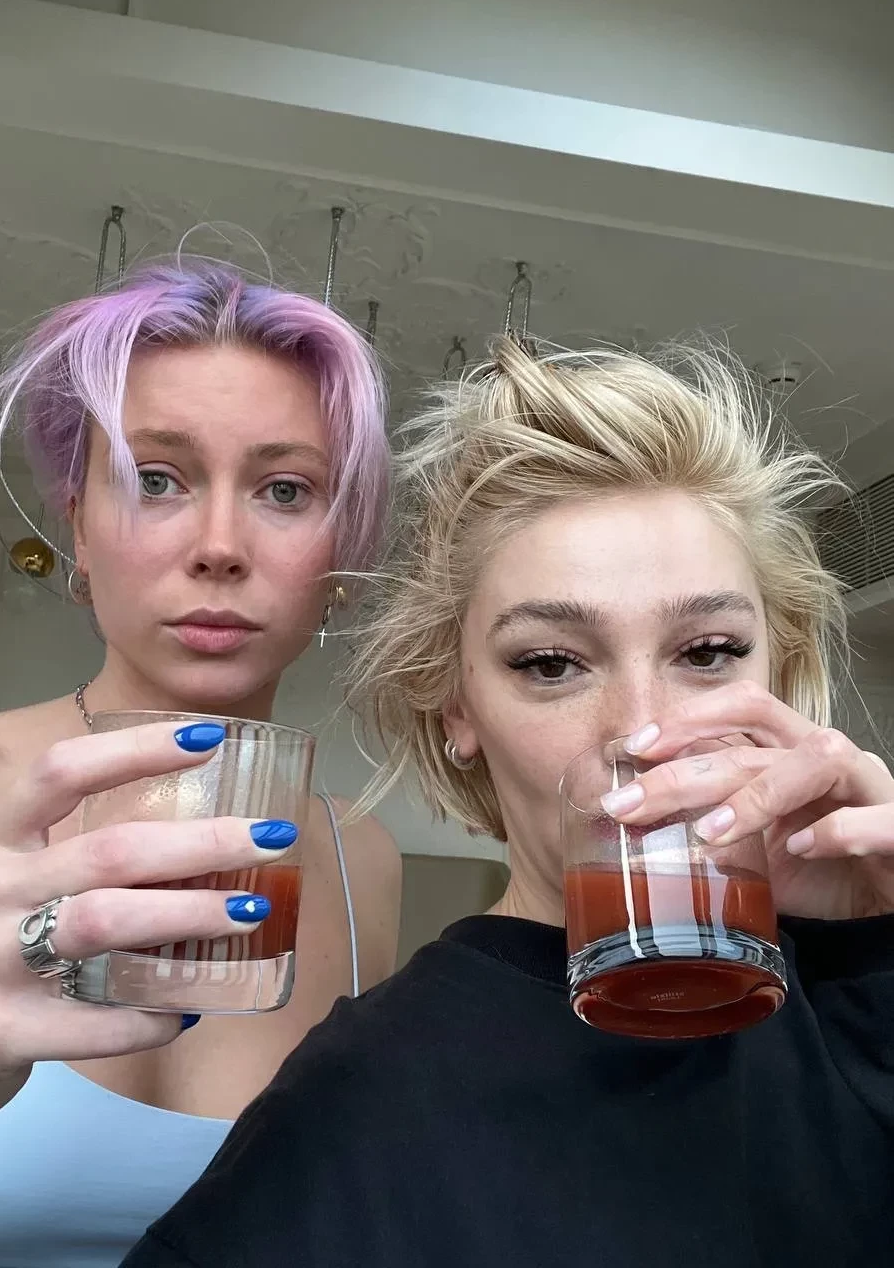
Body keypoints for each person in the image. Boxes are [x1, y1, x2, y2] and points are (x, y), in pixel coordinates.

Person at [119, 337, 894, 1268]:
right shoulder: (366, 1095)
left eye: (707, 653)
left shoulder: (859, 995)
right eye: (551, 664)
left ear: (781, 668)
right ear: (459, 710)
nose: (641, 733)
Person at [0, 261, 402, 1268]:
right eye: (156, 478)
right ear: (77, 525)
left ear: (341, 550)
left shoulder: (357, 857)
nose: (219, 545)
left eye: (285, 489)